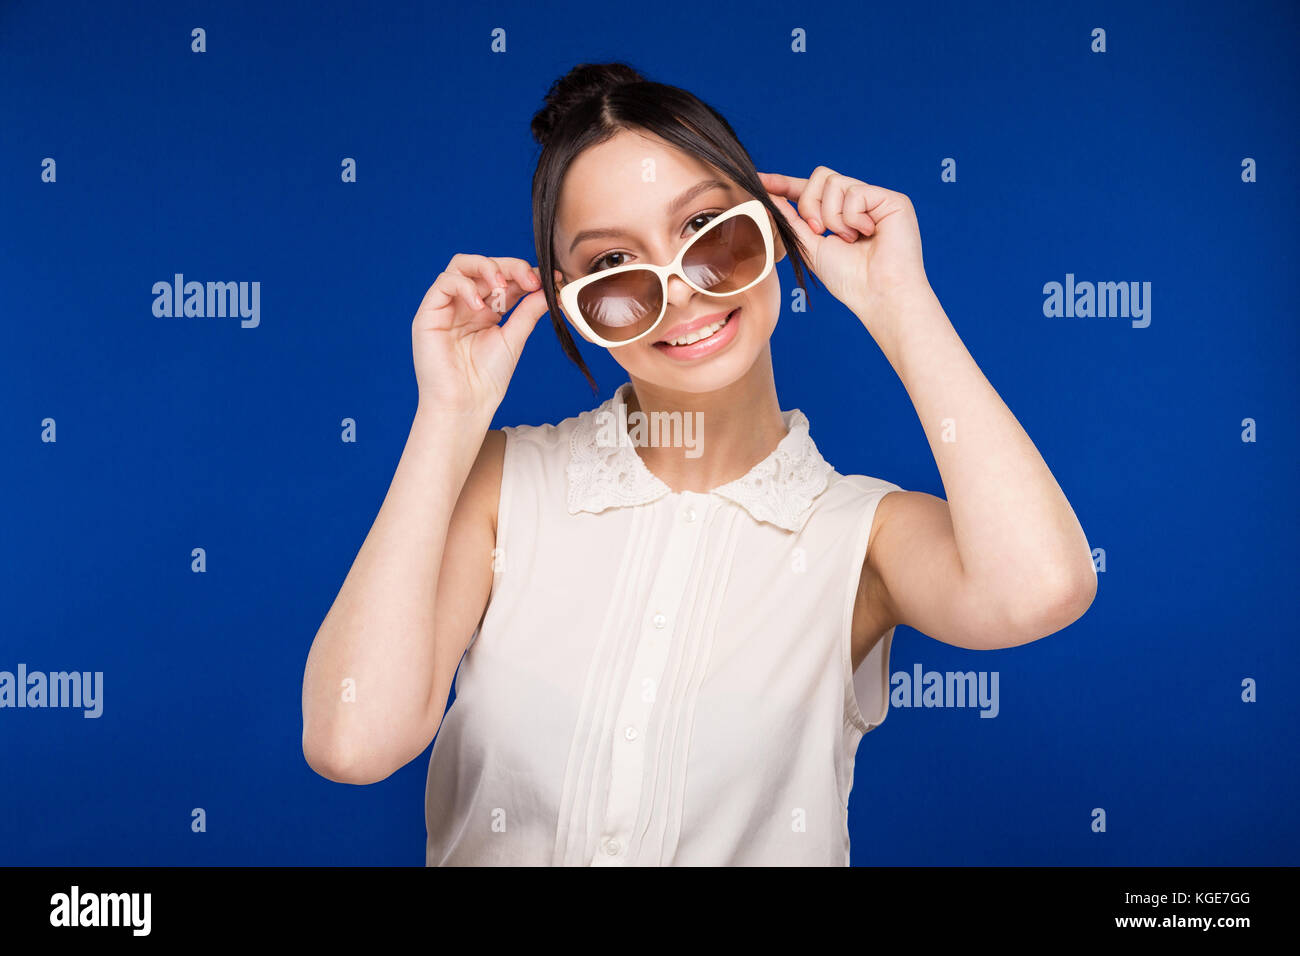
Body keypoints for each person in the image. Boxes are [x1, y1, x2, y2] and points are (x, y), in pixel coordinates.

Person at [301, 61, 1098, 866]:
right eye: (613, 267)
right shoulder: (503, 488)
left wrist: (899, 302)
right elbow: (352, 739)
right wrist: (447, 417)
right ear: (574, 303)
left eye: (705, 230)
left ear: (775, 231)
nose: (678, 290)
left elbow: (1042, 589)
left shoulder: (859, 538)